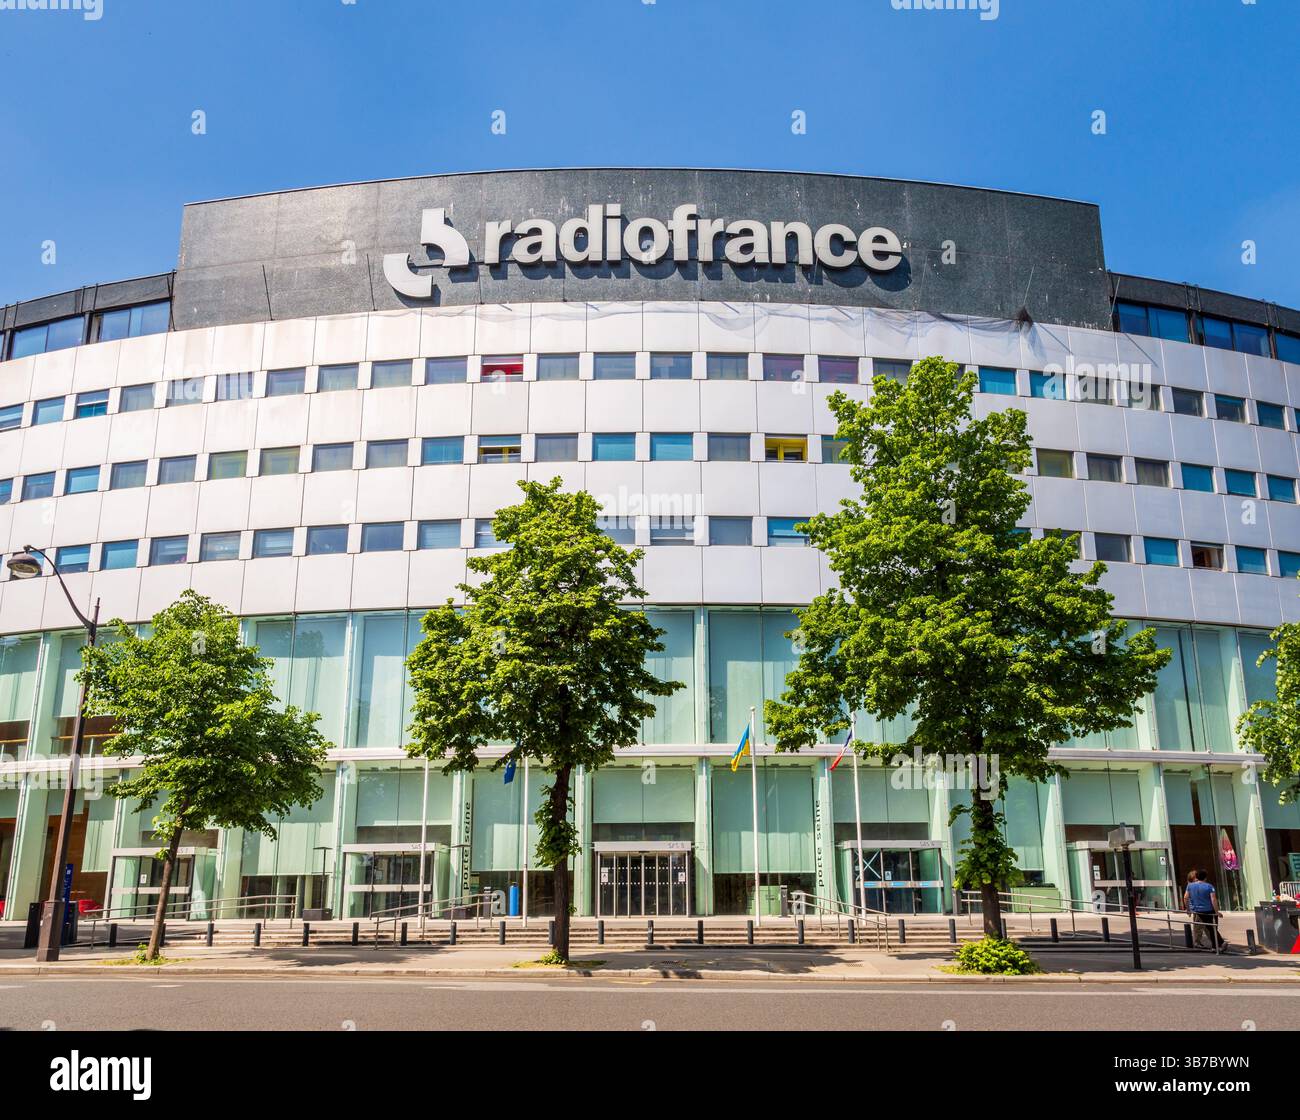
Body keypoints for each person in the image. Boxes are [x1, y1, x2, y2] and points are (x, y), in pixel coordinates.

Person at [1183, 869, 1225, 950]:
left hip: (1197, 910)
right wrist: (1217, 912)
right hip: (1207, 910)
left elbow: (1185, 897)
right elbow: (1213, 899)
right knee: (1209, 928)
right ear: (1205, 878)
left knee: (1207, 928)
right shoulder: (1209, 886)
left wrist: (1188, 909)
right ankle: (1216, 944)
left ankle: (1216, 944)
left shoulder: (1190, 886)